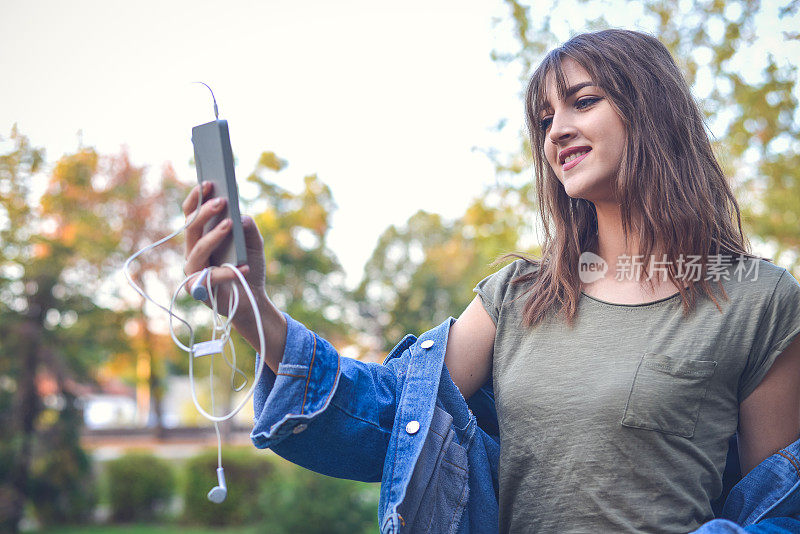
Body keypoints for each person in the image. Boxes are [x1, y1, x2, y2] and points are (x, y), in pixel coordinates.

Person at [181, 29, 800, 533]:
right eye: (545, 116)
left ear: (654, 114)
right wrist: (253, 313)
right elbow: (393, 418)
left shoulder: (758, 301)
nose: (556, 130)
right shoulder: (518, 297)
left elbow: (776, 509)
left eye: (583, 102)